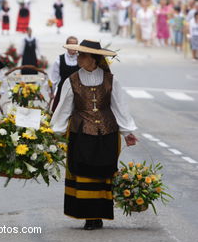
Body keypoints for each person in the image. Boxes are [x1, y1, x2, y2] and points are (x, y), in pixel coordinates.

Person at [50, 39, 138, 230]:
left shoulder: (111, 80)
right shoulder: (72, 80)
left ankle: (98, 214)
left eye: (82, 55)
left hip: (107, 133)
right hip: (81, 133)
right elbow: (64, 109)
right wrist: (54, 132)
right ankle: (88, 215)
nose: (78, 57)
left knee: (103, 172)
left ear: (93, 59)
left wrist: (127, 132)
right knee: (83, 171)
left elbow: (119, 106)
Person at [50, 36, 80, 112]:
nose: (73, 47)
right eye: (71, 45)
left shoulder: (81, 59)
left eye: (75, 45)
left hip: (78, 91)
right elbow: (54, 79)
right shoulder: (59, 60)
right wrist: (52, 92)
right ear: (66, 46)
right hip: (62, 91)